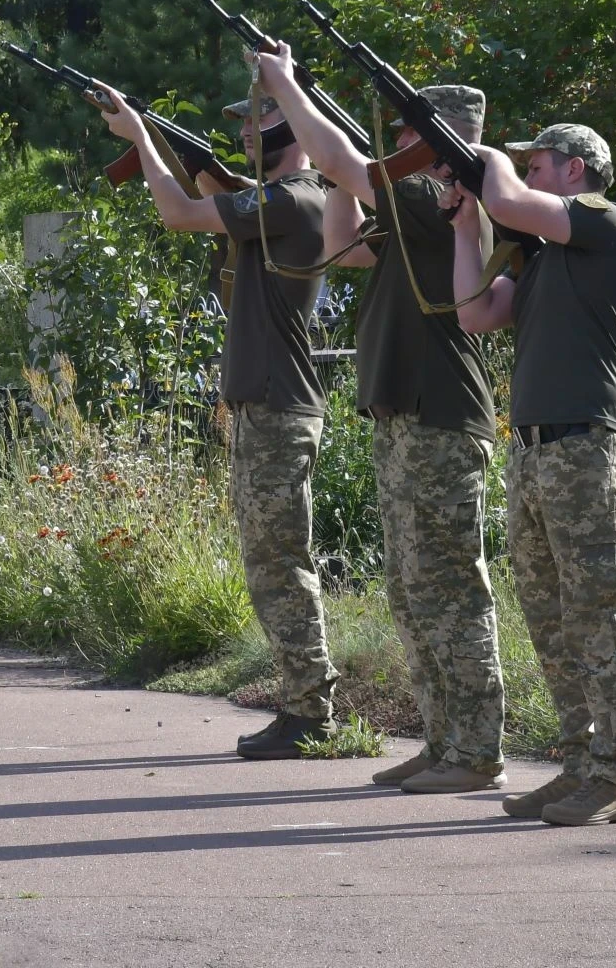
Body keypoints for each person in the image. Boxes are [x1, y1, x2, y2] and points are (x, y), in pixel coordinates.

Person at [255, 45, 506, 795]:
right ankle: (443, 740)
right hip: (406, 417)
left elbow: (351, 167)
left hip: (442, 416)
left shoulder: (447, 198)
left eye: (406, 137)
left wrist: (291, 91)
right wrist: (337, 160)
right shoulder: (415, 209)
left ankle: (476, 749)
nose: (394, 147)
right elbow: (341, 245)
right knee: (409, 588)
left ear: (438, 141)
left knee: (451, 590)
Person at [96, 83, 339, 759]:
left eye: (259, 123)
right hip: (265, 403)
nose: (245, 135)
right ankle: (304, 702)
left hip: (278, 404)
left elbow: (179, 214)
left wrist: (142, 140)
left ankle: (311, 711)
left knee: (279, 563)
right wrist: (181, 154)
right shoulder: (278, 201)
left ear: (290, 132)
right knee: (270, 561)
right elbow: (208, 197)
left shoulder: (294, 198)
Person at [445, 122, 616, 826]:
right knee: (551, 621)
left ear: (576, 169)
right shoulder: (538, 253)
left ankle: (615, 773)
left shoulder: (599, 221)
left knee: (595, 614)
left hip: (584, 447)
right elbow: (474, 314)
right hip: (534, 455)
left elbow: (510, 198)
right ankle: (578, 764)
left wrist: (487, 166)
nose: (524, 173)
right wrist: (467, 223)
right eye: (523, 164)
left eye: (536, 164)